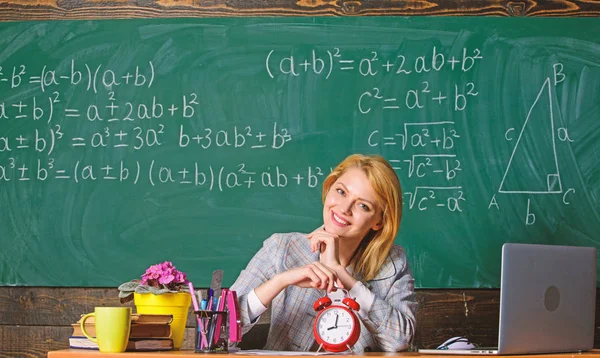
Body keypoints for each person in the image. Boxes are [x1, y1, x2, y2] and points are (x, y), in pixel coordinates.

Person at [230, 154, 417, 352]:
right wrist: (280, 281)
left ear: (378, 221)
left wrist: (342, 275)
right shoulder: (282, 248)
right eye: (341, 191)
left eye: (363, 205)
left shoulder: (393, 264)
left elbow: (399, 341)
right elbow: (215, 333)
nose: (344, 208)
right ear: (329, 187)